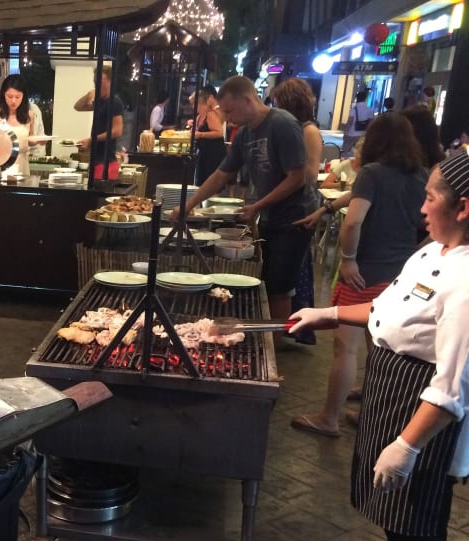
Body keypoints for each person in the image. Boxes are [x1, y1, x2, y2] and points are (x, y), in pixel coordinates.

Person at [286, 147, 469, 541]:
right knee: (398, 519)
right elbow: (388, 306)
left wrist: (408, 444)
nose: (422, 208)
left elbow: (454, 386)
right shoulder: (431, 251)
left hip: (421, 408)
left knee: (419, 534)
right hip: (390, 390)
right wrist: (328, 312)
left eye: (432, 197)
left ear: (464, 207)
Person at [291, 112, 427, 437]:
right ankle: (373, 416)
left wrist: (349, 259)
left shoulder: (371, 173)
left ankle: (329, 418)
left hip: (364, 274)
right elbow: (424, 226)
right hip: (400, 274)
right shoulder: (421, 175)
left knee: (345, 347)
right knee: (379, 347)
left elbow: (353, 222)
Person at [170, 75, 316, 324]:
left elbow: (298, 178)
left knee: (280, 285)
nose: (226, 118)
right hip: (271, 214)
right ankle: (272, 336)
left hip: (295, 216)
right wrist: (188, 205)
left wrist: (258, 206)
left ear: (248, 100)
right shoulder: (244, 135)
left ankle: (275, 347)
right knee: (270, 279)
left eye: (229, 110)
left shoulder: (283, 124)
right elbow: (220, 176)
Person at [271, 78, 323, 346]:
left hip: (301, 208)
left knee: (291, 274)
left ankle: (286, 333)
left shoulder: (308, 131)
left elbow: (310, 174)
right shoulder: (293, 128)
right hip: (289, 207)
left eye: (279, 102)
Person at [0, 74, 43, 177]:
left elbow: (29, 140)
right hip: (1, 166)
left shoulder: (29, 115)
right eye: (9, 96)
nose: (13, 101)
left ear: (24, 96)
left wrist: (38, 140)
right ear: (3, 95)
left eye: (17, 97)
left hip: (22, 165)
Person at [73, 66, 124, 180]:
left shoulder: (115, 102)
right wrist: (90, 93)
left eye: (101, 82)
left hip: (107, 163)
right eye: (96, 82)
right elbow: (78, 106)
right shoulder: (99, 101)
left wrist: (92, 139)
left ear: (111, 81)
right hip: (96, 160)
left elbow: (117, 131)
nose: (98, 85)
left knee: (99, 196)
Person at [192, 85, 226, 186]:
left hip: (213, 153)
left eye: (194, 104)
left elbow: (219, 133)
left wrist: (201, 134)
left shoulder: (211, 113)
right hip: (205, 152)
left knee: (211, 184)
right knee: (202, 182)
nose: (193, 107)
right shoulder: (201, 115)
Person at [343, 89, 373, 156]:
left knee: (345, 151)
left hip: (351, 133)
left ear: (357, 98)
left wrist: (345, 132)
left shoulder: (354, 110)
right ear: (365, 99)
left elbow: (350, 122)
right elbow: (370, 124)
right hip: (362, 134)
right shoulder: (370, 110)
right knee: (359, 153)